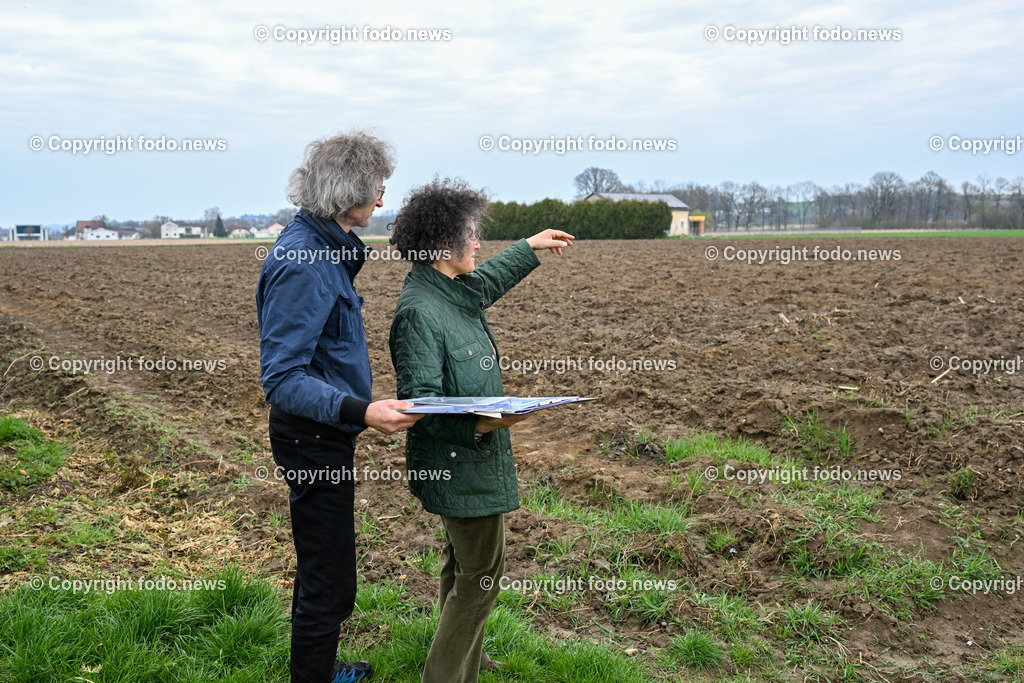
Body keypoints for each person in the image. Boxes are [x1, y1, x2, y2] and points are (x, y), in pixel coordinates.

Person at [387, 178, 574, 683]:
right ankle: (447, 675)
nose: (477, 245)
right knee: (481, 578)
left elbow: (485, 281)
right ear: (445, 245)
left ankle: (464, 656)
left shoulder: (448, 289)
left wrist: (530, 246)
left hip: (470, 461)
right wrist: (486, 421)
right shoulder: (421, 312)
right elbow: (421, 402)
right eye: (471, 236)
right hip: (459, 463)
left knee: (462, 565)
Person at [256, 131, 421, 683]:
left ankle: (319, 668)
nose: (381, 201)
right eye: (376, 190)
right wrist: (363, 410)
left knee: (320, 567)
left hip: (322, 435)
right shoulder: (305, 262)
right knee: (331, 581)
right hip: (312, 439)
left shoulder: (327, 248)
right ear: (346, 190)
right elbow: (282, 379)